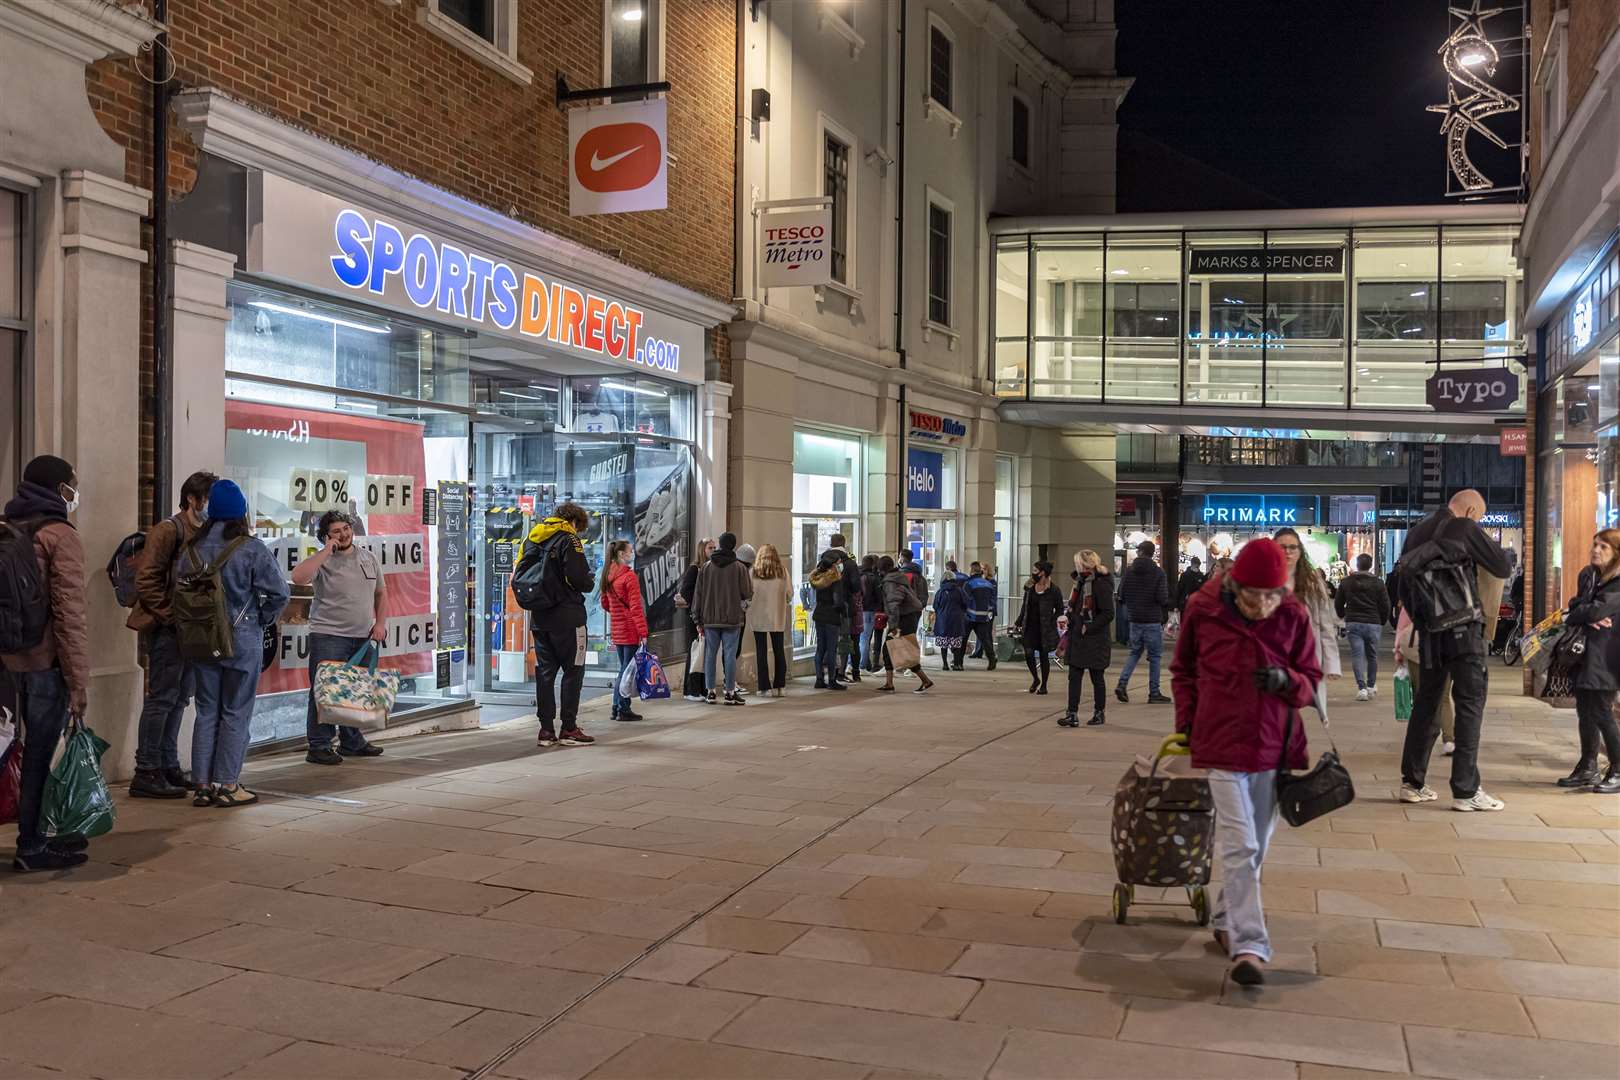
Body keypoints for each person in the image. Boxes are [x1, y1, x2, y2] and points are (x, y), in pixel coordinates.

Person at [1172, 537, 1321, 987]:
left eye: (1272, 596)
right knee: (1241, 845)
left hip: (1274, 747)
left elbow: (1311, 680)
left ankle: (1225, 916)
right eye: (1254, 596)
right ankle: (1250, 945)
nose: (1263, 605)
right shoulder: (1203, 608)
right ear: (1235, 585)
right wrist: (1187, 723)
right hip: (1220, 743)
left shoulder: (1293, 614)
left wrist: (1287, 681)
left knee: (1257, 844)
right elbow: (1183, 670)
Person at [1396, 489, 1513, 811]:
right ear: (1472, 509)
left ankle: (1412, 783)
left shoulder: (1416, 532)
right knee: (1470, 704)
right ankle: (1465, 791)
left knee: (1427, 703)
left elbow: (1403, 586)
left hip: (1431, 634)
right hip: (1464, 631)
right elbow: (1502, 566)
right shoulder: (1465, 527)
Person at [2, 456, 93, 870]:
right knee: (38, 752)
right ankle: (32, 844)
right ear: (59, 489)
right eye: (72, 485)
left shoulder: (6, 529)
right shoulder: (59, 535)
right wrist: (78, 681)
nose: (75, 492)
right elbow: (70, 614)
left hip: (4, 659)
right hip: (41, 662)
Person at [184, 480, 290, 807]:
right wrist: (263, 618)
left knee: (206, 711)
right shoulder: (250, 548)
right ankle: (228, 784)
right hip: (242, 638)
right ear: (240, 513)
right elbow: (280, 593)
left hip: (201, 638)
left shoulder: (191, 548)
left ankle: (201, 784)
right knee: (235, 711)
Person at [125, 469, 215, 798]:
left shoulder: (207, 532)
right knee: (162, 698)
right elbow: (146, 580)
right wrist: (171, 616)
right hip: (168, 629)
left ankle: (168, 764)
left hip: (193, 630)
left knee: (180, 699)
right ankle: (146, 770)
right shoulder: (167, 530)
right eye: (207, 499)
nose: (210, 506)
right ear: (192, 498)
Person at [293, 510, 388, 765]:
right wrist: (326, 550)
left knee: (354, 691)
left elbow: (381, 593)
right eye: (336, 531)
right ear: (326, 535)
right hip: (329, 635)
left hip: (363, 636)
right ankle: (319, 745)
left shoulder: (368, 558)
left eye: (346, 528)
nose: (344, 534)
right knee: (325, 691)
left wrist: (380, 623)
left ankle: (352, 742)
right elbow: (298, 577)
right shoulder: (322, 560)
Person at [516, 502, 596, 747]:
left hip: (540, 618)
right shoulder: (569, 540)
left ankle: (546, 730)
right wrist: (589, 582)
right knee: (574, 670)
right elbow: (579, 578)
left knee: (545, 673)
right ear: (575, 522)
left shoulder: (533, 537)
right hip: (569, 617)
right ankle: (569, 728)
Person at [1558, 530, 1620, 793]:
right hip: (1584, 654)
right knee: (1585, 711)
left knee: (1602, 712)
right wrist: (1585, 613)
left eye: (1603, 546)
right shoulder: (1589, 575)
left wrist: (1586, 612)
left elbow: (1593, 609)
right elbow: (1575, 606)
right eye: (1595, 544)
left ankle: (1618, 769)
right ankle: (1588, 765)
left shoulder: (1617, 583)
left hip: (1608, 656)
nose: (1596, 550)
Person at [1274, 527, 1341, 686]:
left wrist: (1331, 664)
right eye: (1282, 547)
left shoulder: (1312, 582)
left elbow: (1326, 625)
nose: (1287, 552)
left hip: (1307, 653)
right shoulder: (1263, 579)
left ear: (1300, 550)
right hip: (1273, 654)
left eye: (1292, 547)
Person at [692, 532, 752, 705]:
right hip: (732, 619)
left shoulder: (707, 567)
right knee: (730, 655)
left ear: (719, 544)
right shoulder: (740, 568)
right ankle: (730, 692)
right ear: (733, 546)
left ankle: (710, 691)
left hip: (710, 619)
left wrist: (697, 618)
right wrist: (743, 607)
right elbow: (747, 593)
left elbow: (699, 594)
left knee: (710, 654)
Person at [1060, 549, 1114, 727]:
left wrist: (1088, 627)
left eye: (1077, 562)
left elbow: (1108, 613)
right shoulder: (1080, 582)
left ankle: (1099, 713)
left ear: (1084, 564)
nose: (1075, 565)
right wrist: (1069, 618)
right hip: (1078, 637)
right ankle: (1072, 713)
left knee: (1096, 677)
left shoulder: (1100, 584)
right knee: (1074, 676)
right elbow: (1075, 606)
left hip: (1095, 638)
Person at [1115, 541, 1171, 704]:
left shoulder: (1128, 571)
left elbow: (1122, 594)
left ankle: (1122, 683)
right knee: (1154, 657)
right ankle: (1154, 692)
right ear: (1152, 553)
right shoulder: (1158, 573)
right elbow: (1162, 598)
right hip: (1152, 619)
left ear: (1139, 552)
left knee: (1134, 652)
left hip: (1134, 619)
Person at [599, 538, 648, 723]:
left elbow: (605, 603)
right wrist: (643, 633)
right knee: (626, 671)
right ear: (621, 554)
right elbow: (636, 608)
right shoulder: (629, 576)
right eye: (629, 551)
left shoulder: (607, 575)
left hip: (617, 630)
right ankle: (622, 708)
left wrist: (618, 613)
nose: (632, 553)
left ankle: (615, 706)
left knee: (623, 669)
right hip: (630, 629)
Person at [1395, 603, 1454, 755]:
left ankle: (1421, 739)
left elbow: (1402, 627)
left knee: (1421, 696)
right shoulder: (1450, 594)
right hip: (1445, 649)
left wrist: (1398, 652)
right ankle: (1449, 739)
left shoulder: (1415, 593)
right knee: (1444, 697)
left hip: (1417, 649)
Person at [1335, 553, 1391, 702]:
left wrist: (1342, 615)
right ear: (1371, 565)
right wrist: (1382, 620)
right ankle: (1371, 686)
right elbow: (1385, 604)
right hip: (1373, 622)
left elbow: (1338, 602)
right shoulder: (1378, 583)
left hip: (1353, 622)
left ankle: (1362, 688)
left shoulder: (1346, 582)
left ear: (1357, 565)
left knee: (1357, 655)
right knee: (1372, 655)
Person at [877, 555, 933, 693]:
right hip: (908, 616)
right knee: (891, 649)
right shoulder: (898, 577)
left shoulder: (890, 582)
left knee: (902, 650)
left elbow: (894, 604)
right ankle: (889, 683)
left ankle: (925, 680)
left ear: (882, 569)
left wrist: (893, 626)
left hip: (903, 619)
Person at [748, 544, 792, 697]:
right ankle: (780, 686)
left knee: (761, 652)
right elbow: (789, 594)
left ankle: (764, 687)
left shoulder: (753, 572)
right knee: (779, 650)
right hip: (777, 616)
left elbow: (747, 593)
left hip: (758, 616)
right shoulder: (783, 572)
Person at [675, 538, 715, 702]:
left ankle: (701, 688)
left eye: (714, 548)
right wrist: (698, 603)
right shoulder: (695, 569)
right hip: (694, 616)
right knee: (695, 652)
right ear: (702, 550)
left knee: (704, 652)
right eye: (710, 548)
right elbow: (685, 591)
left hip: (705, 615)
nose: (713, 550)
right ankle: (691, 689)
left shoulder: (710, 568)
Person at [1014, 561, 1063, 695]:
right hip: (1030, 626)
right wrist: (1018, 622)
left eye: (1035, 570)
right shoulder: (1030, 588)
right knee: (1028, 653)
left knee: (1043, 656)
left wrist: (1053, 621)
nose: (1033, 573)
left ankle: (1044, 685)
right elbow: (1025, 606)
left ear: (1042, 573)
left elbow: (1059, 609)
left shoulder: (1053, 590)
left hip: (1045, 628)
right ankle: (1036, 679)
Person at [932, 561, 969, 671]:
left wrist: (941, 612)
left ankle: (945, 664)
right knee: (956, 643)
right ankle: (957, 664)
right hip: (957, 619)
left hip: (943, 620)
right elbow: (966, 603)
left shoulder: (940, 592)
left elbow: (935, 605)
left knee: (944, 643)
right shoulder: (959, 590)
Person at [965, 561, 999, 669]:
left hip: (971, 615)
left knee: (964, 637)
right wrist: (990, 611)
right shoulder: (988, 584)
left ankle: (958, 662)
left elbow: (966, 599)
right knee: (986, 638)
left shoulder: (970, 583)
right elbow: (992, 600)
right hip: (984, 615)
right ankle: (991, 659)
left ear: (972, 570)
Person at [859, 555, 883, 671]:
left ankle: (853, 664)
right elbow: (879, 596)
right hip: (869, 610)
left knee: (858, 638)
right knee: (865, 639)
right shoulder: (874, 578)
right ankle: (863, 665)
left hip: (856, 610)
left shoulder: (857, 574)